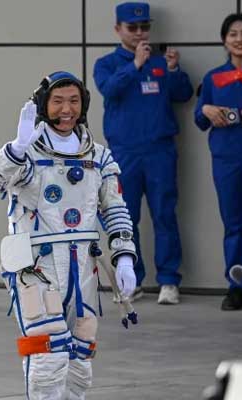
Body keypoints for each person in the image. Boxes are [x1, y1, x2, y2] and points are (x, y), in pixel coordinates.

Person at [0, 72, 137, 399]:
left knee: (79, 360)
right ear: (43, 105)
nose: (67, 109)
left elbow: (115, 208)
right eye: (58, 101)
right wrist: (16, 148)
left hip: (83, 268)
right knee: (47, 356)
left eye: (74, 101)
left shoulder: (99, 156)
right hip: (37, 268)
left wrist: (124, 258)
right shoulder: (27, 155)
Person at [93, 1, 193, 304]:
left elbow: (183, 94)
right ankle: (131, 280)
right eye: (132, 27)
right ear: (118, 29)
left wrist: (174, 71)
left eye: (144, 27)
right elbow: (109, 90)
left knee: (164, 214)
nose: (139, 33)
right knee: (126, 218)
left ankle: (169, 281)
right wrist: (134, 65)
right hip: (124, 152)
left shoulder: (161, 63)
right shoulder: (107, 64)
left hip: (160, 150)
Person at [194, 13, 242, 311]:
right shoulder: (214, 77)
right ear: (225, 40)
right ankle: (237, 286)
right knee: (234, 224)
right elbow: (199, 118)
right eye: (234, 33)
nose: (239, 39)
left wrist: (234, 113)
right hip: (227, 160)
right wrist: (208, 108)